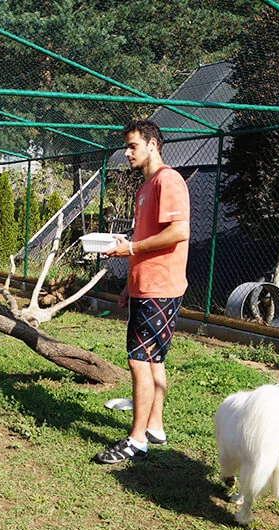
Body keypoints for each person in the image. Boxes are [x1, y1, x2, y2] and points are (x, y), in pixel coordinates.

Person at [95, 118, 190, 464]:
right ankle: (155, 428)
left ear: (153, 144)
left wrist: (130, 251)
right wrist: (128, 284)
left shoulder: (169, 181)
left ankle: (136, 441)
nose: (127, 152)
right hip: (144, 286)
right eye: (127, 146)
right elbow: (143, 239)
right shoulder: (145, 187)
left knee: (139, 360)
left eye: (133, 145)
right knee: (154, 360)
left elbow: (179, 232)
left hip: (160, 287)